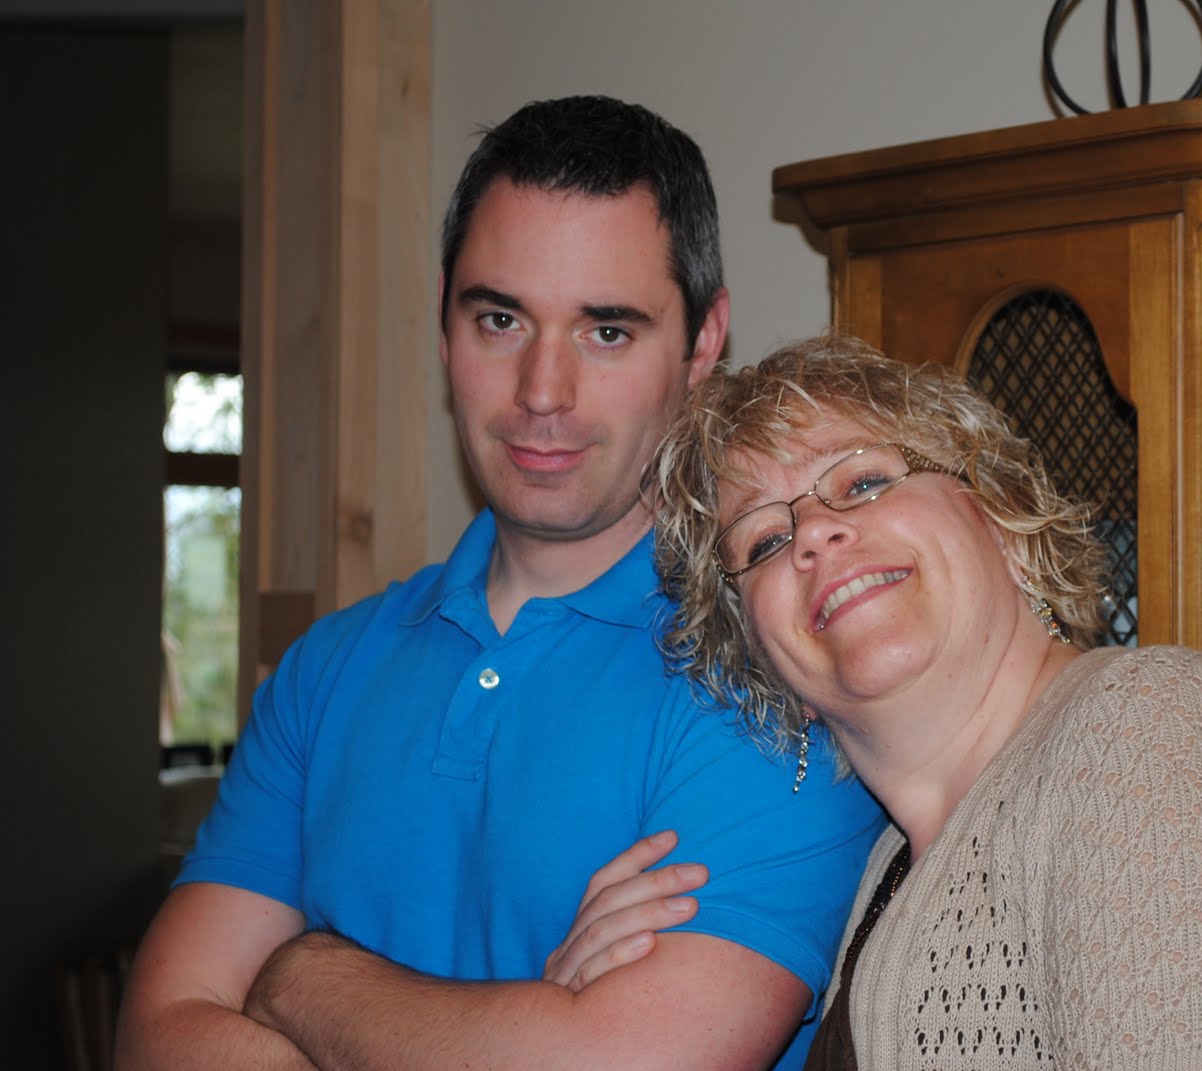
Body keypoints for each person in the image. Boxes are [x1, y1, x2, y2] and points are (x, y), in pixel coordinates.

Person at [116, 98, 884, 1071]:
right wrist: (524, 1027)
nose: (541, 392)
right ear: (445, 321)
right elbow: (159, 1034)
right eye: (500, 319)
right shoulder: (324, 671)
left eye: (607, 332)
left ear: (701, 344)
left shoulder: (776, 676)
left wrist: (299, 974)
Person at [630, 334, 1202, 1069]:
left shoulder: (1159, 730)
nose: (813, 533)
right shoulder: (889, 871)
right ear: (768, 664)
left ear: (1003, 520)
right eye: (765, 540)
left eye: (862, 481)